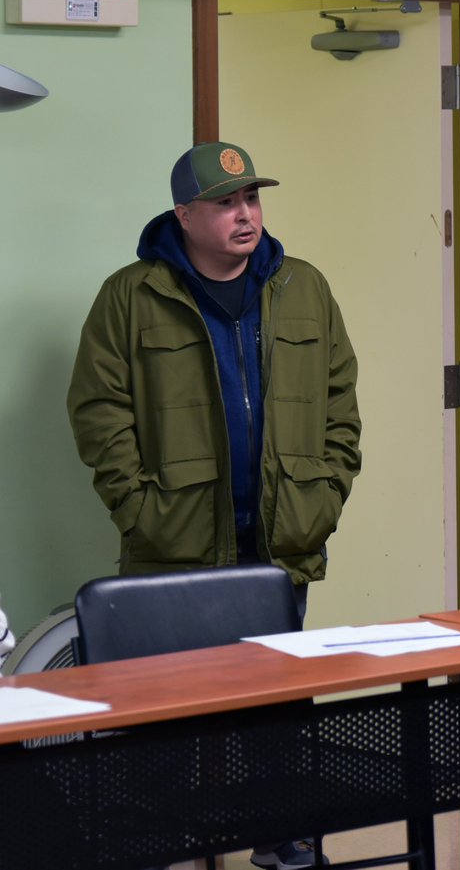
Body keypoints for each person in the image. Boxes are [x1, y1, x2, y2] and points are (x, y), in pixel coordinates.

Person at [67, 141, 361, 870]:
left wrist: (323, 493)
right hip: (172, 541)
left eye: (252, 199)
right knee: (161, 711)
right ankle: (156, 841)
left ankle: (279, 833)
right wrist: (137, 507)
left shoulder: (304, 287)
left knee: (276, 703)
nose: (245, 214)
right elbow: (98, 409)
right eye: (227, 202)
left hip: (277, 534)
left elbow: (339, 404)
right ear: (185, 213)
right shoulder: (131, 296)